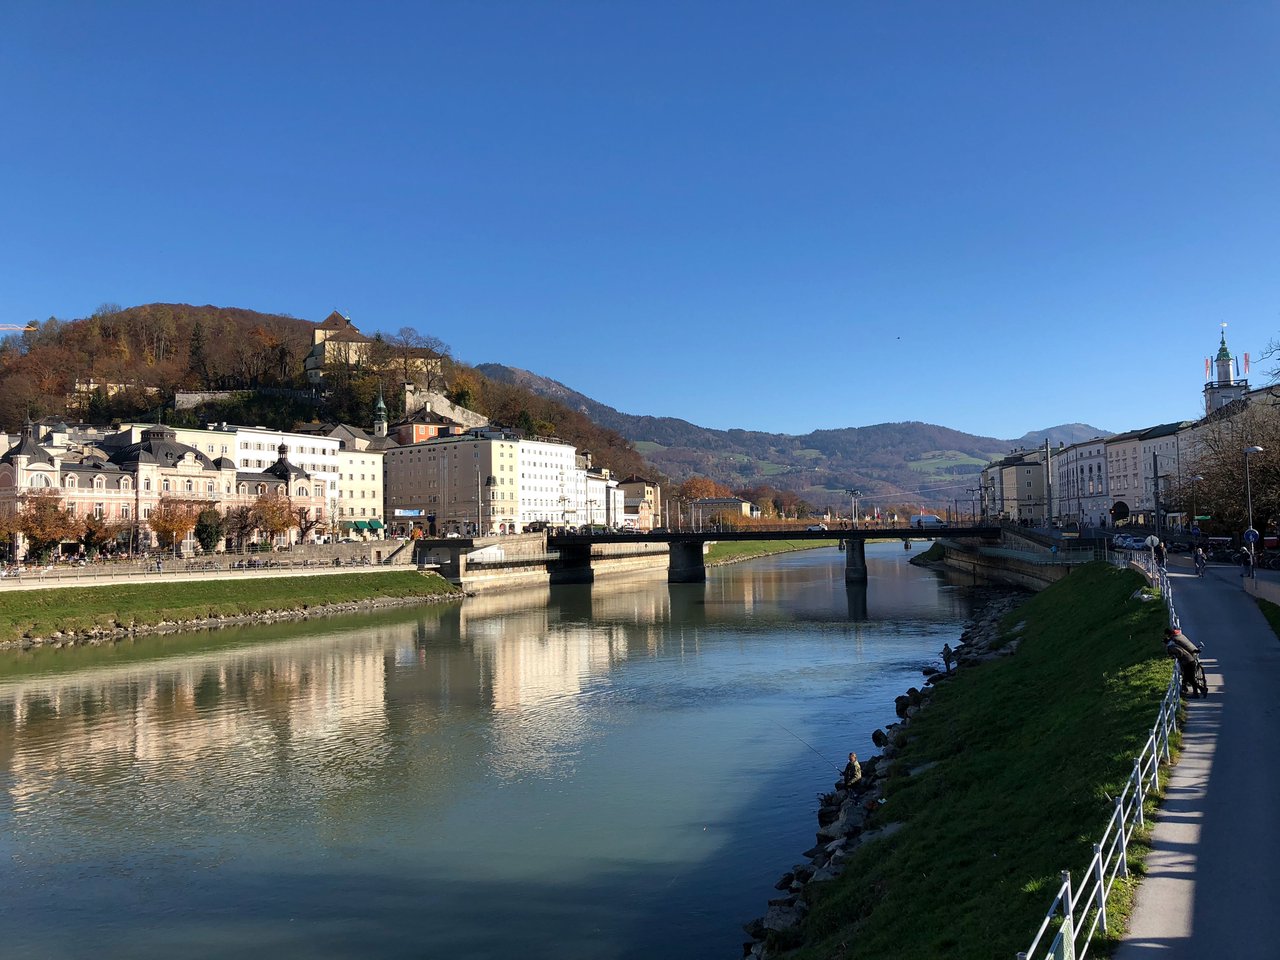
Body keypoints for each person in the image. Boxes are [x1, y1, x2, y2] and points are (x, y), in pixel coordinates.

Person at [1163, 627, 1204, 698]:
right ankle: (1198, 691)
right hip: (1190, 659)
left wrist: (1175, 656)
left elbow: (1180, 652)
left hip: (1187, 661)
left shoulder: (1172, 645)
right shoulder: (1179, 636)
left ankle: (1198, 691)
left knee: (1190, 678)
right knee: (1189, 678)